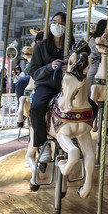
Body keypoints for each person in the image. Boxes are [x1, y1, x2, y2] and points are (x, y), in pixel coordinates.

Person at [27, 12, 75, 163]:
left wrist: (71, 69)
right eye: (54, 22)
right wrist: (50, 66)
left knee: (90, 105)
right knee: (36, 108)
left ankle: (77, 138)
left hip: (66, 87)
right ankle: (43, 145)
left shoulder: (72, 48)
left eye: (61, 24)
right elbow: (34, 72)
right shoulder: (41, 47)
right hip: (46, 86)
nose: (57, 26)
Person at [15, 32, 43, 102]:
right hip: (33, 76)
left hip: (43, 76)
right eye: (37, 43)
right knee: (20, 83)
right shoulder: (35, 53)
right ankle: (21, 104)